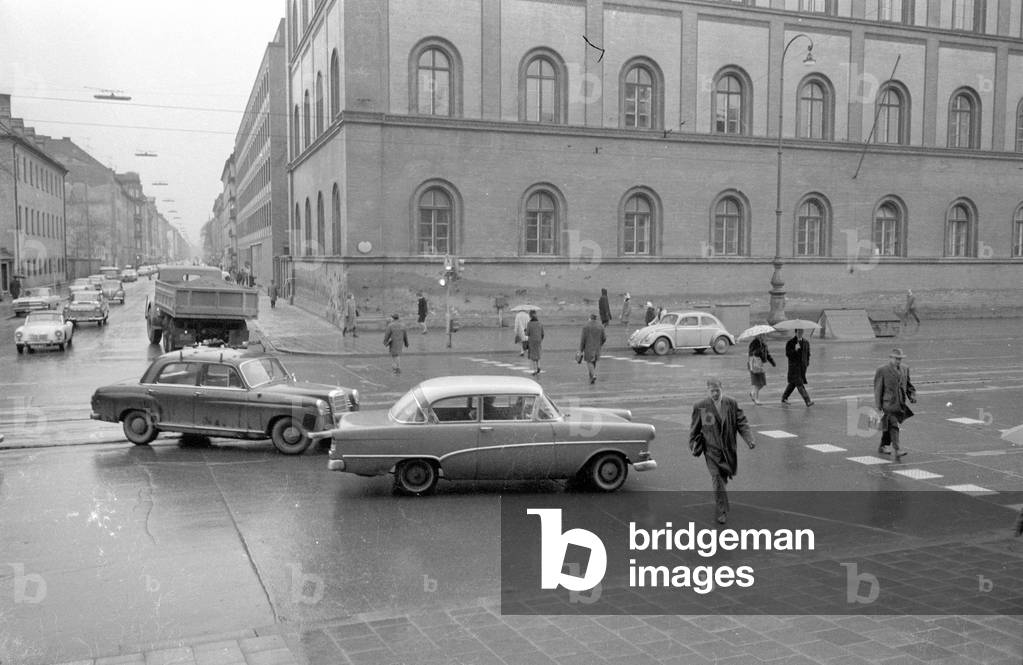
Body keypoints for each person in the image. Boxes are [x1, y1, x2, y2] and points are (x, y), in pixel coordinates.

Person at [689, 378, 756, 525]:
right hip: (711, 451)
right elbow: (695, 428)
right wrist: (692, 444)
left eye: (717, 390)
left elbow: (741, 422)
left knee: (723, 478)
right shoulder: (702, 406)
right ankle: (722, 511)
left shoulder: (731, 403)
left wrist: (749, 439)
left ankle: (721, 497)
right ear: (707, 390)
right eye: (712, 391)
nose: (715, 393)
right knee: (717, 478)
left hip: (728, 450)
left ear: (722, 389)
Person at [873, 348, 917, 460]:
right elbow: (878, 388)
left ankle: (883, 445)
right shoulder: (882, 370)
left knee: (888, 425)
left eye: (900, 359)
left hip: (900, 403)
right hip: (888, 403)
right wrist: (878, 405)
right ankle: (897, 449)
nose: (898, 361)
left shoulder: (905, 368)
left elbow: (908, 385)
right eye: (896, 359)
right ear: (891, 358)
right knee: (893, 425)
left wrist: (911, 396)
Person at [782, 329, 814, 406]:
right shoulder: (790, 342)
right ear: (795, 332)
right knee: (799, 383)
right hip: (794, 368)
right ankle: (807, 401)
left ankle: (784, 398)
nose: (800, 333)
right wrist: (795, 350)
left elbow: (808, 354)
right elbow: (788, 354)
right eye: (799, 332)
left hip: (802, 368)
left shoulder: (806, 342)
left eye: (801, 332)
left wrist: (807, 363)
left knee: (793, 383)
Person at [747, 334, 776, 405]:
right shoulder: (754, 343)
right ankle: (756, 399)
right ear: (758, 335)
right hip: (754, 365)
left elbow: (767, 354)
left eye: (764, 335)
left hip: (760, 365)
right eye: (763, 335)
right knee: (758, 383)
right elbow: (751, 354)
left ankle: (752, 393)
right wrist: (759, 350)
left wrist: (772, 362)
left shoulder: (763, 344)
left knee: (762, 383)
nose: (764, 336)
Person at [579, 313, 606, 384]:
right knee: (593, 361)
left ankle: (593, 375)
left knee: (589, 361)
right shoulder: (600, 326)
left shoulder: (586, 326)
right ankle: (591, 377)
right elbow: (604, 338)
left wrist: (581, 349)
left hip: (588, 347)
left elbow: (583, 339)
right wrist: (600, 344)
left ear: (590, 318)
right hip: (597, 347)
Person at [525, 310, 544, 376]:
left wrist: (525, 330)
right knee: (538, 354)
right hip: (538, 340)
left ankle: (535, 370)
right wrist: (540, 339)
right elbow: (542, 333)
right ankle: (538, 366)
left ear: (530, 316)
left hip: (532, 341)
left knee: (532, 355)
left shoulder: (529, 324)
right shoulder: (540, 323)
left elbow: (527, 334)